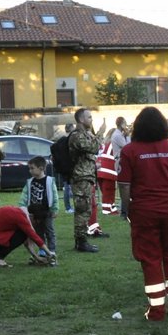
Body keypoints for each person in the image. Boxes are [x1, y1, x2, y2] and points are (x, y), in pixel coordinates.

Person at [117, 106, 168, 320]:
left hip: (144, 209)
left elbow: (124, 185)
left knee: (150, 258)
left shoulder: (130, 151)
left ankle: (156, 310)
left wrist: (128, 209)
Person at [63, 108, 102, 252]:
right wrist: (100, 133)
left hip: (85, 176)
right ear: (81, 120)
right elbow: (94, 147)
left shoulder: (84, 134)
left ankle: (81, 241)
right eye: (89, 117)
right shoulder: (77, 136)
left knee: (85, 209)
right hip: (80, 177)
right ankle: (81, 242)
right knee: (82, 210)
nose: (91, 120)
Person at [0, 204, 49, 268]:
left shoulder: (19, 211)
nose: (35, 224)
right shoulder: (21, 217)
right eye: (36, 222)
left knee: (20, 234)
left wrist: (36, 257)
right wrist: (50, 253)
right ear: (32, 216)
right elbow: (34, 237)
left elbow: (28, 243)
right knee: (21, 235)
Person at [19, 156, 58, 262]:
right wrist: (22, 207)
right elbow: (24, 195)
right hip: (34, 212)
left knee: (49, 230)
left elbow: (54, 195)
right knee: (38, 232)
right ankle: (42, 249)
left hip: (47, 211)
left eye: (32, 168)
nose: (30, 170)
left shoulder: (49, 181)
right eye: (29, 168)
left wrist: (54, 209)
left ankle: (52, 250)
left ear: (41, 168)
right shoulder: (29, 182)